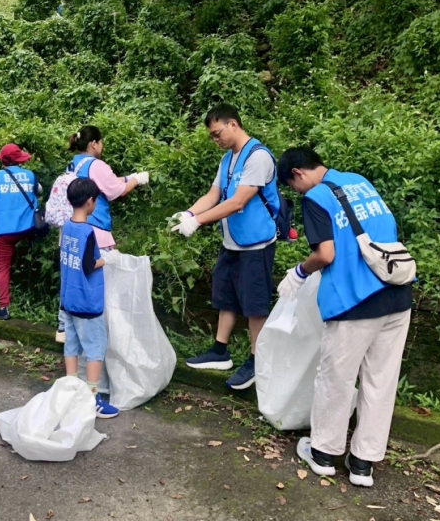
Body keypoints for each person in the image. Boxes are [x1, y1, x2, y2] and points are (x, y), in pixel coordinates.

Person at [275, 147, 413, 488]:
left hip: (354, 301)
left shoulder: (316, 198)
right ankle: (363, 464)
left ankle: (323, 454)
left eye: (293, 186)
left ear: (297, 174)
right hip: (396, 294)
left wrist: (299, 272)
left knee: (336, 378)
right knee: (380, 381)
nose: (297, 192)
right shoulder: (360, 182)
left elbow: (325, 254)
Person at [170, 104, 279, 391]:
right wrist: (188, 214)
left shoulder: (258, 157)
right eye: (212, 136)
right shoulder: (228, 159)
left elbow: (238, 201)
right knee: (225, 295)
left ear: (233, 124)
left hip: (255, 244)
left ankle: (257, 360)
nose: (215, 139)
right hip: (232, 242)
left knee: (255, 305)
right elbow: (214, 194)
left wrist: (199, 221)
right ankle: (220, 351)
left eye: (217, 133)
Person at [56, 126, 149, 343]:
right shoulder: (96, 165)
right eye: (101, 142)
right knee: (97, 282)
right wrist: (138, 179)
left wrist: (129, 177)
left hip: (71, 227)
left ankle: (64, 327)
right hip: (94, 230)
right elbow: (116, 190)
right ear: (94, 144)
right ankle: (98, 335)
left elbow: (110, 182)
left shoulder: (74, 163)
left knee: (71, 277)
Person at [60, 178, 121, 419]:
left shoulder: (67, 226)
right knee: (95, 348)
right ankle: (92, 398)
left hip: (69, 299)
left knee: (71, 345)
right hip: (87, 302)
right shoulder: (87, 232)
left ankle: (69, 392)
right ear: (89, 202)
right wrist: (107, 259)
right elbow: (88, 265)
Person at [0, 144, 43, 320]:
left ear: (3, 160)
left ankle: (4, 308)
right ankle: (38, 300)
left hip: (5, 231)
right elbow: (39, 191)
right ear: (19, 160)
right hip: (30, 228)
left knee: (2, 268)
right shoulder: (30, 175)